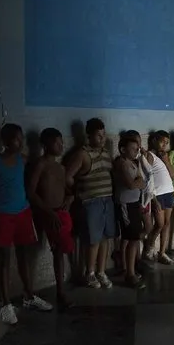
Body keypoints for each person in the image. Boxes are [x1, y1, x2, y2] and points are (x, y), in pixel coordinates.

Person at [0, 123, 53, 325]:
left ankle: (29, 296)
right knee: (4, 260)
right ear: (6, 141)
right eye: (18, 138)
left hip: (23, 213)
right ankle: (6, 304)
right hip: (3, 216)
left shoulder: (23, 160)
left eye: (22, 138)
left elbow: (32, 176)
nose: (22, 142)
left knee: (23, 256)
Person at [27, 128, 75, 311]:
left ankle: (62, 290)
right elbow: (31, 192)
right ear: (45, 145)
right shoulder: (40, 164)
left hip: (60, 213)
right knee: (41, 250)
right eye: (57, 142)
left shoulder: (61, 168)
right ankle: (34, 291)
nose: (61, 145)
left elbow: (67, 190)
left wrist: (71, 198)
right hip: (45, 213)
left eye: (62, 142)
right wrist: (48, 212)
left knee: (60, 251)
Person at [65, 118, 115, 289]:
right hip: (91, 201)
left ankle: (101, 271)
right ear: (89, 136)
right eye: (98, 136)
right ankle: (90, 273)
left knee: (105, 238)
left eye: (103, 135)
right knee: (93, 240)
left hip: (107, 200)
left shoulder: (106, 152)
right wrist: (78, 192)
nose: (102, 139)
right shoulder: (82, 154)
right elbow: (67, 176)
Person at [113, 135, 147, 289]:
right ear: (122, 149)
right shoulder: (121, 164)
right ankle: (129, 273)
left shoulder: (132, 163)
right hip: (125, 205)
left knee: (134, 238)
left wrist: (138, 182)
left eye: (137, 149)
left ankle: (130, 271)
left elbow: (142, 180)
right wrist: (138, 182)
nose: (136, 151)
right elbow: (132, 184)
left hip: (133, 204)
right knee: (131, 237)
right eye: (133, 149)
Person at [144, 130, 174, 265]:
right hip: (158, 195)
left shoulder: (163, 157)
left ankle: (162, 252)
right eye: (163, 142)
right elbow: (147, 178)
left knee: (166, 224)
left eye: (167, 143)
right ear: (154, 140)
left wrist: (167, 160)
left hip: (169, 192)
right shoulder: (149, 156)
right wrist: (154, 199)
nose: (165, 145)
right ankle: (150, 248)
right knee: (159, 224)